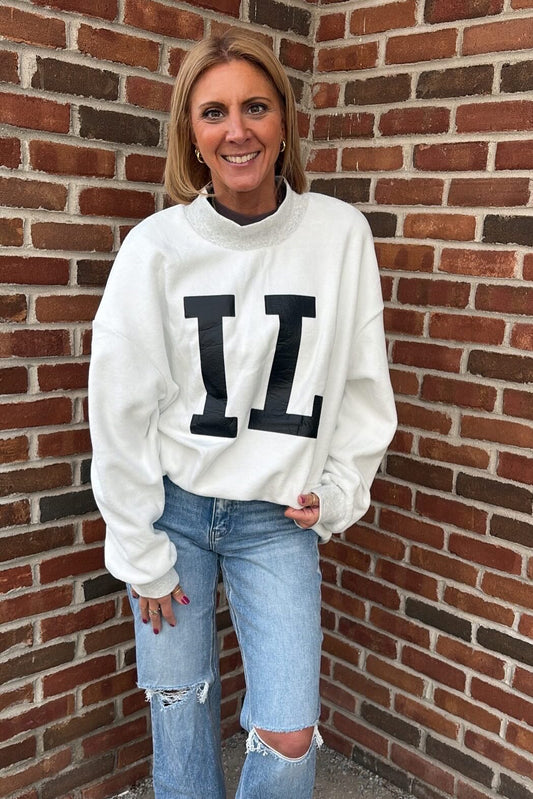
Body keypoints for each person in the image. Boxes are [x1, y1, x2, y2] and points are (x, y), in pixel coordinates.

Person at [88, 28, 397, 799]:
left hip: (276, 521)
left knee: (288, 729)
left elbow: (362, 385)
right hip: (174, 513)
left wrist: (338, 489)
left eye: (255, 107)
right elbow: (118, 409)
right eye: (214, 112)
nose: (237, 130)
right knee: (178, 709)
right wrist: (138, 548)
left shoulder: (337, 236)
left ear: (283, 119)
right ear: (190, 135)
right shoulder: (155, 249)